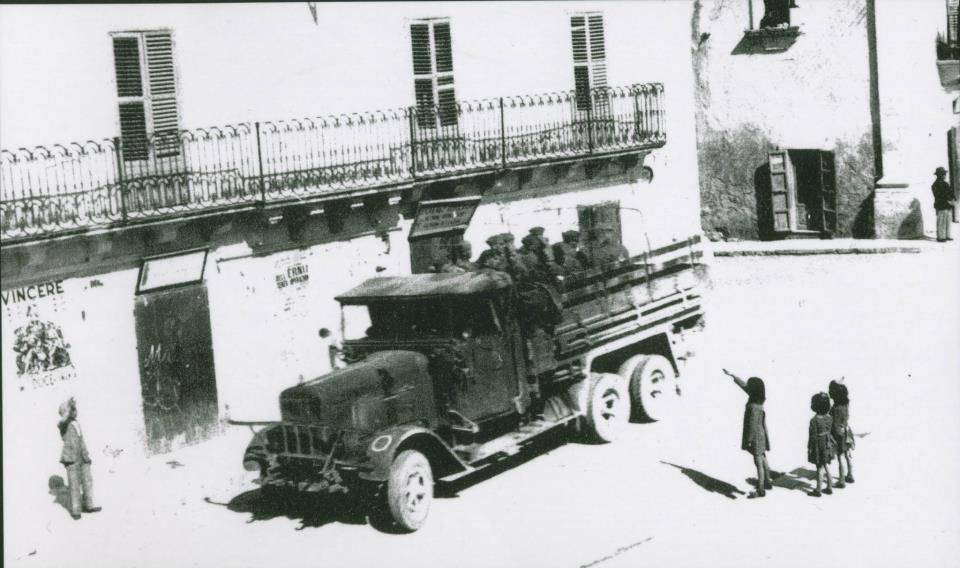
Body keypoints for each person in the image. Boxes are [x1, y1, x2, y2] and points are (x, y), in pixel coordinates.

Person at [723, 369, 771, 498]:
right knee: (762, 457)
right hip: (761, 434)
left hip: (755, 436)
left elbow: (752, 426)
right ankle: (768, 480)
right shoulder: (759, 399)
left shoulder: (753, 406)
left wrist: (749, 440)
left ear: (753, 391)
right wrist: (734, 376)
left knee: (758, 461)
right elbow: (745, 386)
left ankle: (760, 488)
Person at [58, 398, 101, 520]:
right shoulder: (63, 424)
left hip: (82, 456)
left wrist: (86, 455)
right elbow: (64, 420)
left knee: (87, 481)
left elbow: (82, 441)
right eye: (73, 410)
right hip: (71, 458)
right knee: (74, 484)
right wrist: (68, 408)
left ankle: (89, 505)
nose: (75, 411)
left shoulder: (77, 423)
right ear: (67, 412)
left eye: (75, 409)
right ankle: (76, 510)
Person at [808, 392, 835, 497]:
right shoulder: (829, 418)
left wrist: (810, 448)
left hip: (818, 446)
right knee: (826, 466)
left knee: (819, 468)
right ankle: (829, 487)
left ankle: (818, 490)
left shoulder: (814, 421)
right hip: (827, 444)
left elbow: (812, 437)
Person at [829, 380, 854, 486]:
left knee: (840, 457)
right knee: (848, 455)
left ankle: (841, 480)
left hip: (839, 434)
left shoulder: (835, 409)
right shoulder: (846, 405)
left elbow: (834, 424)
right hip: (847, 432)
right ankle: (850, 475)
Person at [932, 167, 955, 242]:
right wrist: (948, 199)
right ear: (939, 175)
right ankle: (941, 237)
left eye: (944, 174)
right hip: (941, 205)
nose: (945, 175)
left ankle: (947, 235)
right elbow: (939, 195)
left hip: (947, 205)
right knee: (941, 221)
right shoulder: (935, 185)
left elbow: (950, 192)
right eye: (943, 174)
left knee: (948, 221)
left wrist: (953, 199)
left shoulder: (945, 183)